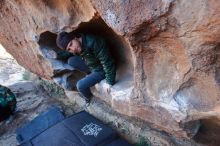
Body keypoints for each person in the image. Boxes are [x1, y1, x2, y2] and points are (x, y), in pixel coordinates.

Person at [56, 32, 116, 104]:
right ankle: (90, 74)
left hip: (101, 69)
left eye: (71, 44)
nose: (73, 49)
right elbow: (68, 53)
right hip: (91, 63)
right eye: (69, 49)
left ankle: (89, 98)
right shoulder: (78, 44)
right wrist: (57, 55)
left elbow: (107, 62)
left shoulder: (93, 42)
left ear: (75, 37)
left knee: (80, 85)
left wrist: (109, 82)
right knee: (71, 61)